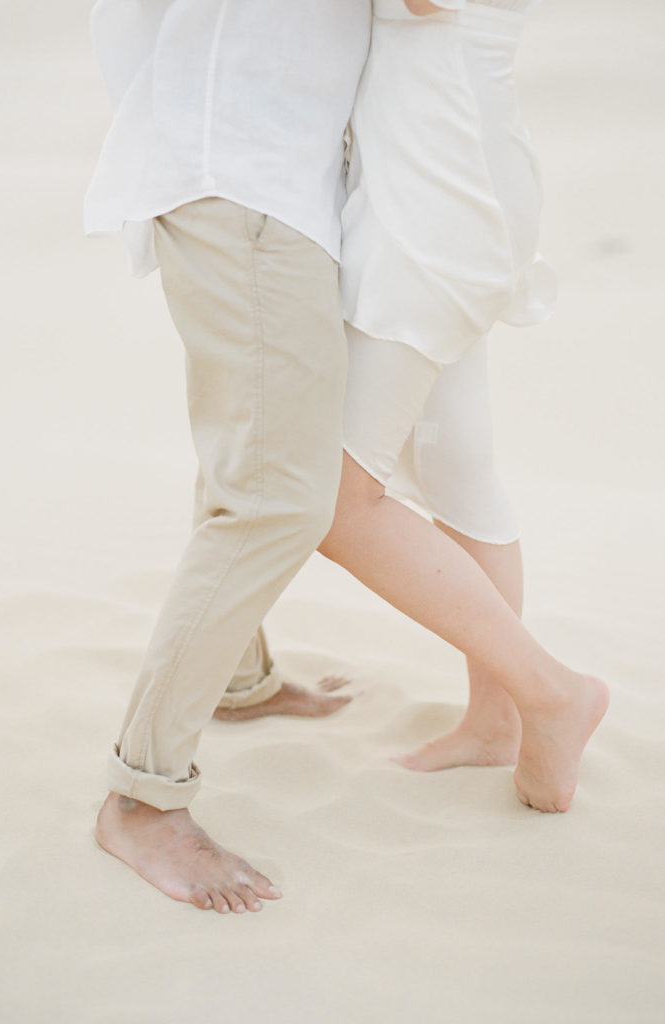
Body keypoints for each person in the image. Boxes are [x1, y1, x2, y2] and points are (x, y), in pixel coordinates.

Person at [84, 0, 373, 915]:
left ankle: (239, 682)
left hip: (256, 170)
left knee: (245, 465)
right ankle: (143, 798)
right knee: (275, 496)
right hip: (243, 173)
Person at [315, 0, 608, 808]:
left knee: (334, 503)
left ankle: (551, 693)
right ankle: (493, 724)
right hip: (443, 161)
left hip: (437, 188)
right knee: (458, 470)